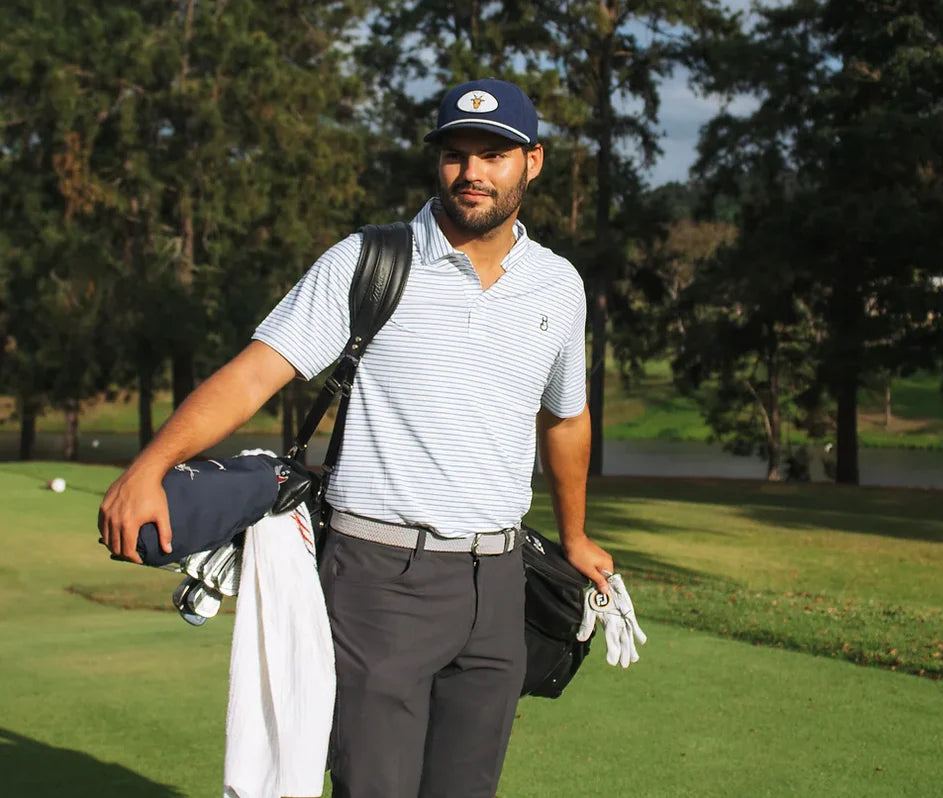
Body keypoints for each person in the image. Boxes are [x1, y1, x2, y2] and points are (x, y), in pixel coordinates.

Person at [99, 77, 616, 798]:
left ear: (533, 161)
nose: (471, 173)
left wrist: (578, 534)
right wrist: (150, 465)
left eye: (493, 154)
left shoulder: (557, 287)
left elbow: (566, 418)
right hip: (379, 579)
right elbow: (252, 378)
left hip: (500, 582)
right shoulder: (368, 262)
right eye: (455, 154)